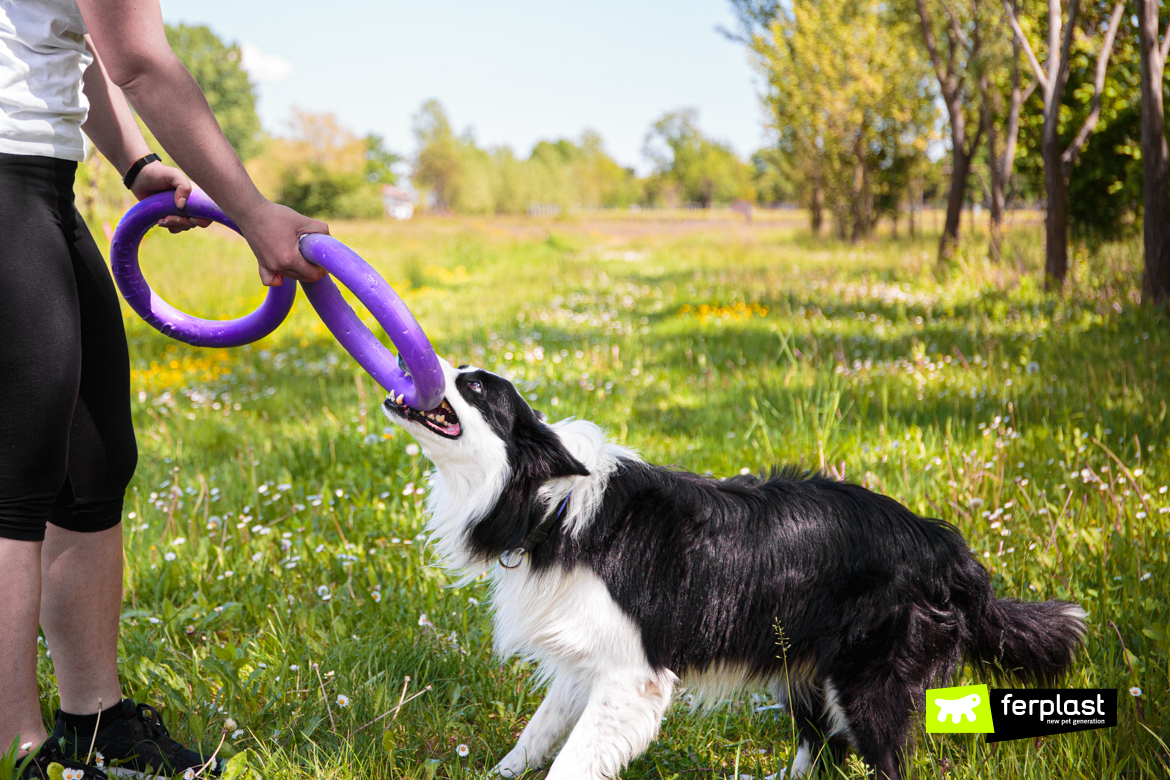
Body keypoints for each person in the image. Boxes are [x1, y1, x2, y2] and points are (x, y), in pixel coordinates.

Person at [0, 1, 329, 777]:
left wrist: (136, 164)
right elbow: (140, 61)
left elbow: (81, 40)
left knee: (93, 465)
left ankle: (95, 721)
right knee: (13, 487)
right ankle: (17, 748)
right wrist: (253, 214)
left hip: (41, 179)